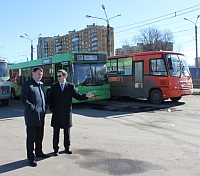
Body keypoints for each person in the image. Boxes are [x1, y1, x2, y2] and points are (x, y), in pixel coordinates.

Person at [48, 69, 93, 156]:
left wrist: (85, 96)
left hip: (66, 113)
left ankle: (67, 147)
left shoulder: (70, 86)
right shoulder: (54, 86)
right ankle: (55, 149)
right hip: (56, 113)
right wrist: (52, 109)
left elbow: (77, 96)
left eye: (60, 76)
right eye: (57, 76)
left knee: (67, 131)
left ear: (65, 76)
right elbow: (50, 99)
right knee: (56, 132)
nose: (58, 78)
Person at [21, 67, 48, 167]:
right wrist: (32, 107)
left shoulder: (41, 84)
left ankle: (39, 152)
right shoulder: (28, 84)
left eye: (41, 74)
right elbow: (23, 99)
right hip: (32, 116)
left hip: (41, 115)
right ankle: (31, 158)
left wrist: (45, 107)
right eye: (38, 74)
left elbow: (43, 98)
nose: (40, 76)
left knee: (40, 135)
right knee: (31, 138)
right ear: (33, 74)